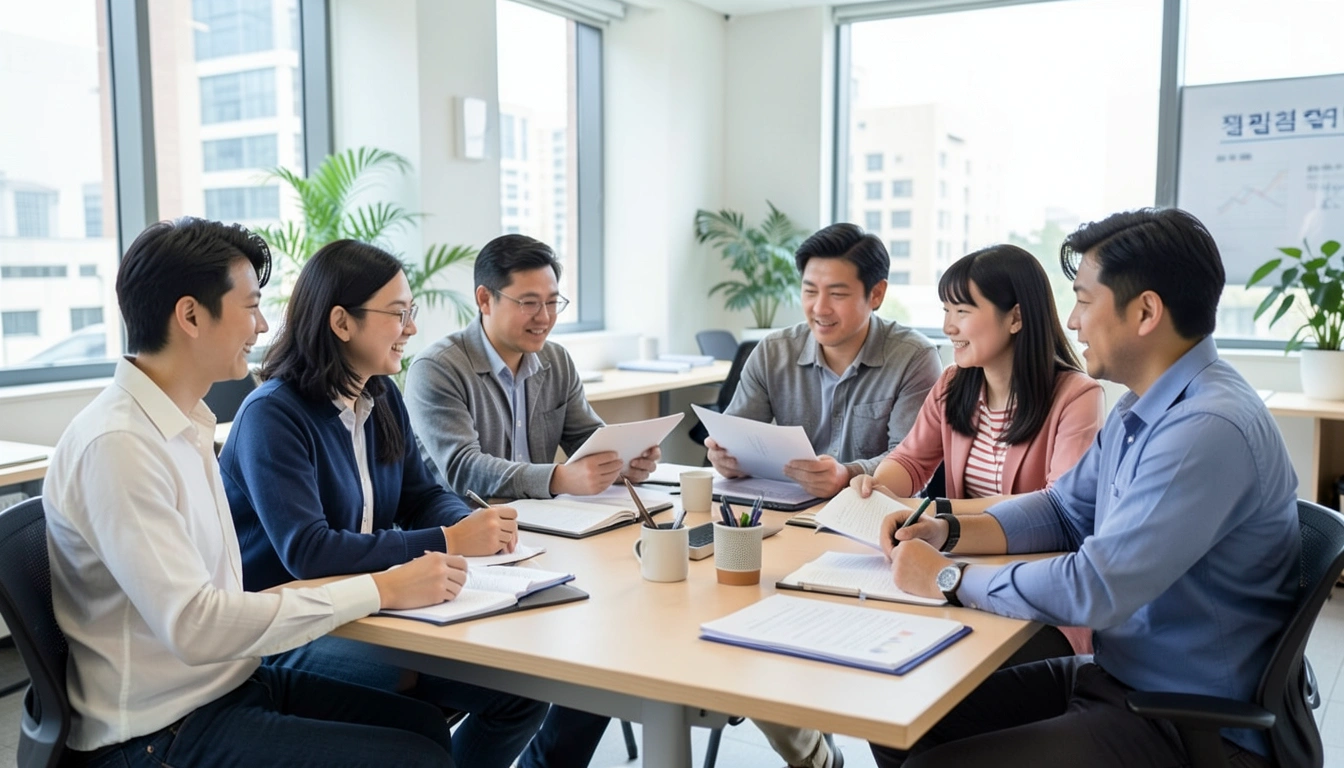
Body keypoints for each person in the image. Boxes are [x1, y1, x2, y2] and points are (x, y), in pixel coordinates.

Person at [870, 208, 1298, 768]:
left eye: (1084, 300)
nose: (1071, 321)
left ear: (1145, 311)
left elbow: (1097, 585)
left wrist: (949, 578)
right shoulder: (1143, 408)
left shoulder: (1205, 428)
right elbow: (1064, 510)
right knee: (901, 720)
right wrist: (949, 531)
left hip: (1182, 720)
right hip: (1118, 678)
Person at [43, 217, 465, 767]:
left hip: (229, 683)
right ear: (191, 315)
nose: (263, 326)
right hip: (157, 731)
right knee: (416, 759)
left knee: (426, 728)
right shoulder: (119, 445)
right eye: (250, 307)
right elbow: (196, 626)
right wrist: (381, 589)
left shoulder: (183, 425)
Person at [220, 239, 549, 768]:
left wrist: (469, 523)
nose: (412, 328)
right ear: (341, 323)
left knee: (521, 690)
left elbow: (421, 496)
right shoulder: (273, 416)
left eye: (410, 313)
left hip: (374, 606)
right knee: (405, 682)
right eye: (398, 314)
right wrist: (445, 541)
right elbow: (307, 551)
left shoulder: (380, 393)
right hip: (288, 626)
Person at [404, 233, 660, 768]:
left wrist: (626, 456)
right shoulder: (438, 368)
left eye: (552, 302)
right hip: (471, 548)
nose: (544, 317)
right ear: (484, 299)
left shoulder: (557, 362)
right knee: (573, 657)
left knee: (605, 654)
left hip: (549, 544)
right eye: (528, 303)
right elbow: (462, 469)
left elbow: (589, 436)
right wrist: (562, 478)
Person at [705, 222, 942, 501]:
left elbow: (911, 460)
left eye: (837, 294)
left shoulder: (913, 357)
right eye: (810, 291)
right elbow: (737, 439)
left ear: (876, 294)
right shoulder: (773, 352)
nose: (819, 308)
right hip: (791, 510)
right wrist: (726, 460)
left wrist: (846, 475)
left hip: (874, 511)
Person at [860, 244, 1103, 515]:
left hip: (1033, 555)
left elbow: (1057, 504)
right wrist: (877, 487)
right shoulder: (952, 382)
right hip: (956, 549)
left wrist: (938, 513)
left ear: (1016, 317)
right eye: (946, 310)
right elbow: (910, 461)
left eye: (962, 311)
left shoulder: (1077, 397)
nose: (948, 327)